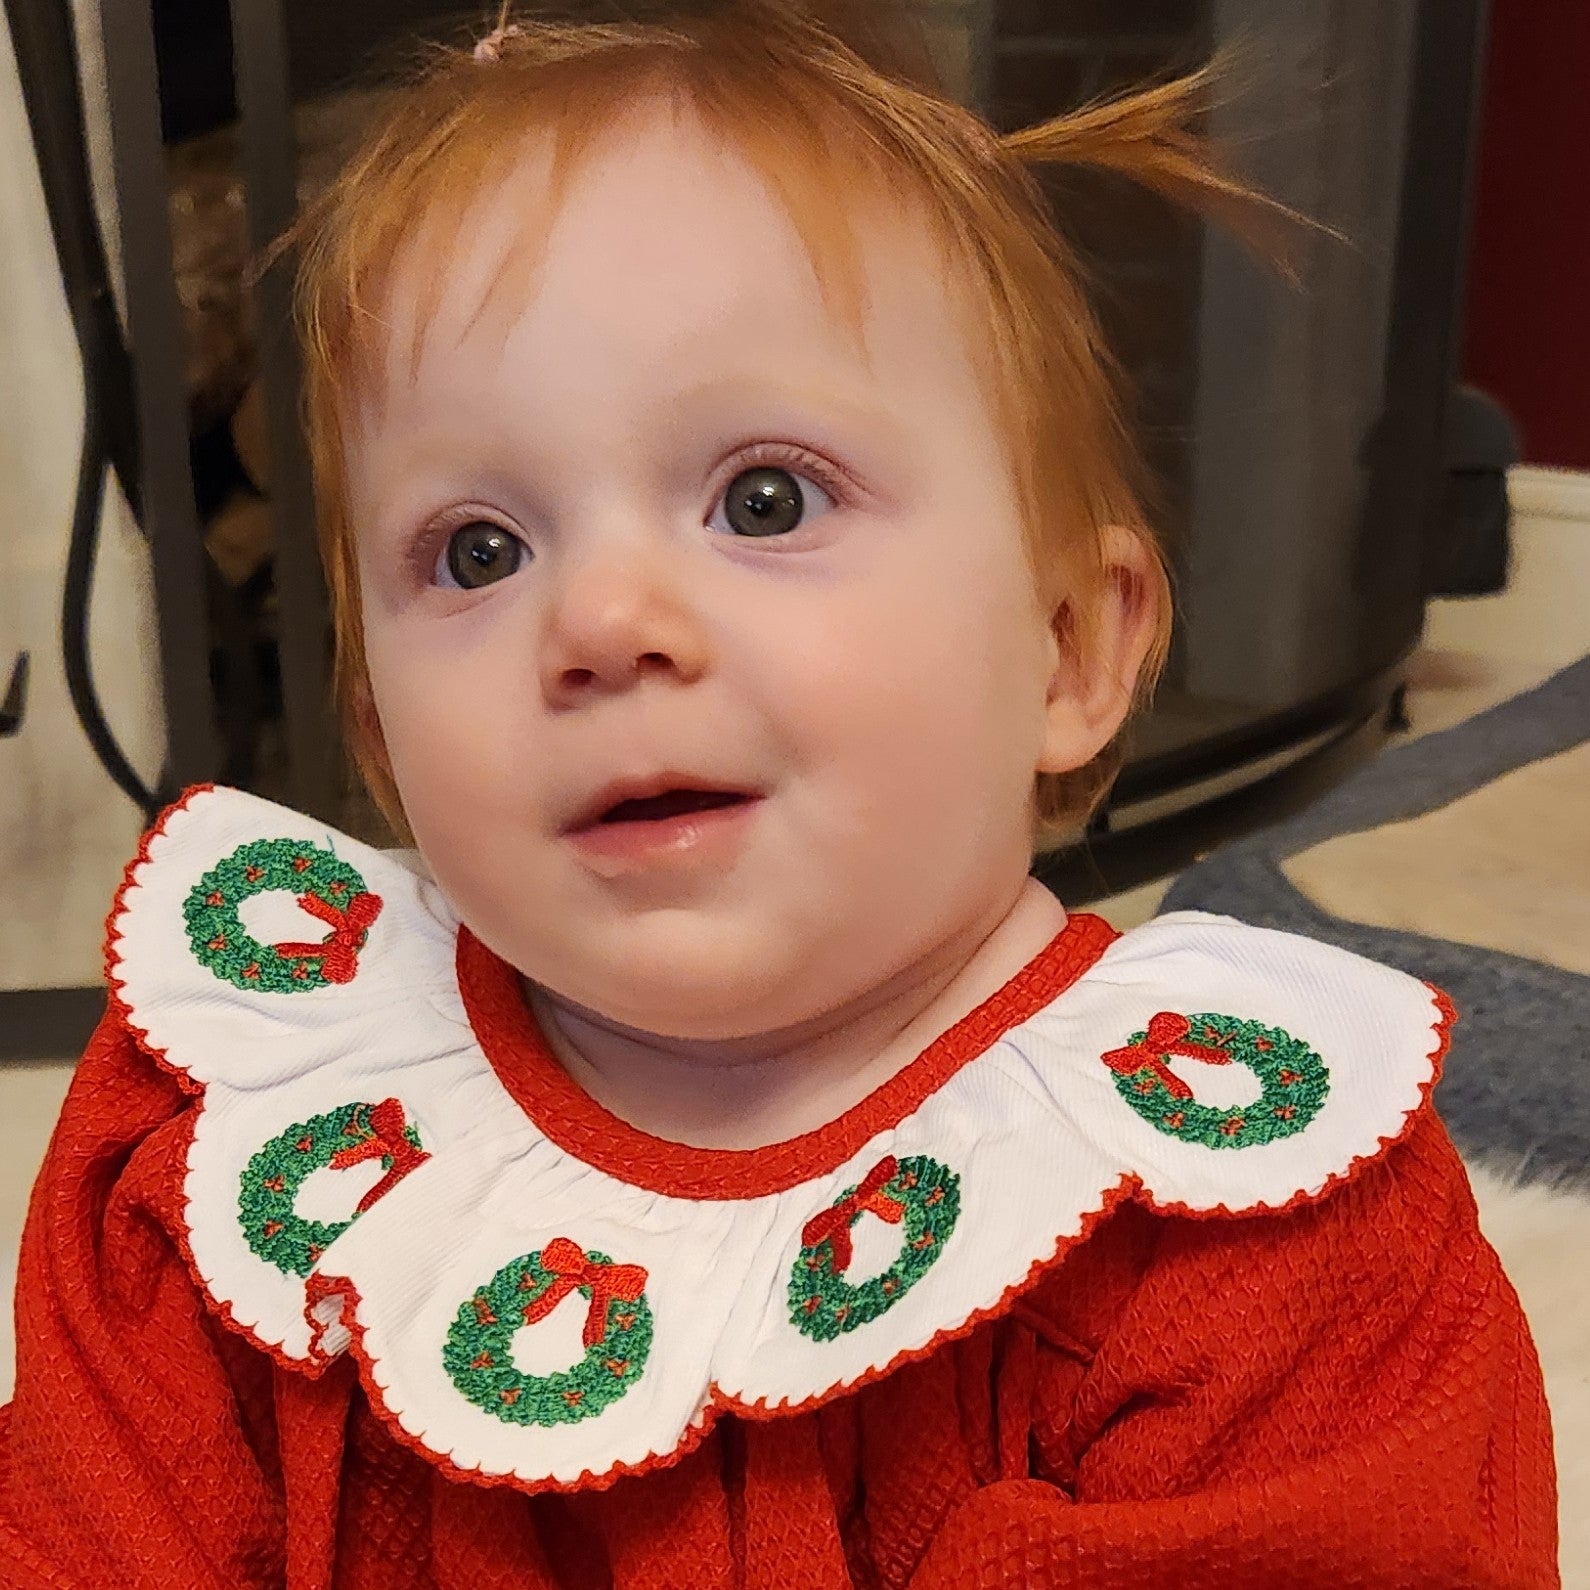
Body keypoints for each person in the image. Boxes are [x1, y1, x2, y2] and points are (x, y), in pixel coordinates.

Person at [0, 6, 1559, 1586]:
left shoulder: (1239, 1238)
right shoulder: (250, 1148)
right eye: (477, 549)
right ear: (381, 741)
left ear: (1066, 648)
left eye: (765, 497)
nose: (600, 622)